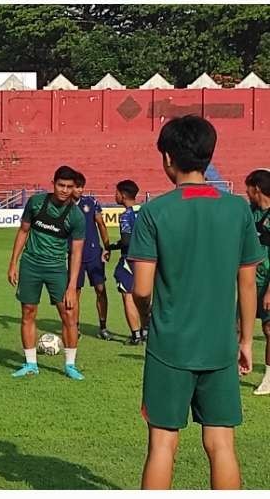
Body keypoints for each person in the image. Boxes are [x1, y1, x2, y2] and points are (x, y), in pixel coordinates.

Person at [131, 115, 261, 490]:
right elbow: (248, 283)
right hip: (219, 344)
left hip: (169, 345)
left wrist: (148, 318)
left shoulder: (155, 211)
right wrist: (246, 341)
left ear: (168, 158)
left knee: (162, 445)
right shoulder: (238, 209)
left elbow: (141, 289)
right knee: (221, 445)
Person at [6, 165, 87, 380]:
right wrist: (13, 263)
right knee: (28, 312)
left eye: (69, 187)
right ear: (53, 183)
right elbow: (23, 231)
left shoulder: (76, 216)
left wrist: (72, 287)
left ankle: (70, 365)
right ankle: (31, 363)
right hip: (31, 264)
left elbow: (76, 253)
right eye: (61, 185)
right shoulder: (36, 203)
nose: (65, 190)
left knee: (69, 315)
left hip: (56, 268)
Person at [71, 172, 112, 340]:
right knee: (75, 292)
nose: (79, 190)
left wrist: (107, 247)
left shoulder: (91, 203)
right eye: (76, 187)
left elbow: (101, 224)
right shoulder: (63, 206)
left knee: (101, 289)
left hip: (94, 252)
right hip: (74, 255)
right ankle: (75, 327)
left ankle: (103, 327)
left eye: (81, 187)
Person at [105, 179, 145, 345]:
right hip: (148, 260)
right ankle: (146, 330)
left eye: (116, 193)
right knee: (144, 295)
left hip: (130, 259)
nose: (115, 195)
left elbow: (127, 241)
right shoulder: (145, 211)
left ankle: (135, 335)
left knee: (127, 295)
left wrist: (113, 246)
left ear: (122, 195)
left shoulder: (126, 216)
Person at [244, 169, 270, 395]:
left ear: (257, 189)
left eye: (248, 188)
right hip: (251, 279)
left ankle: (269, 378)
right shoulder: (249, 212)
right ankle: (231, 368)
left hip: (268, 281)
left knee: (269, 329)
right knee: (235, 325)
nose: (246, 192)